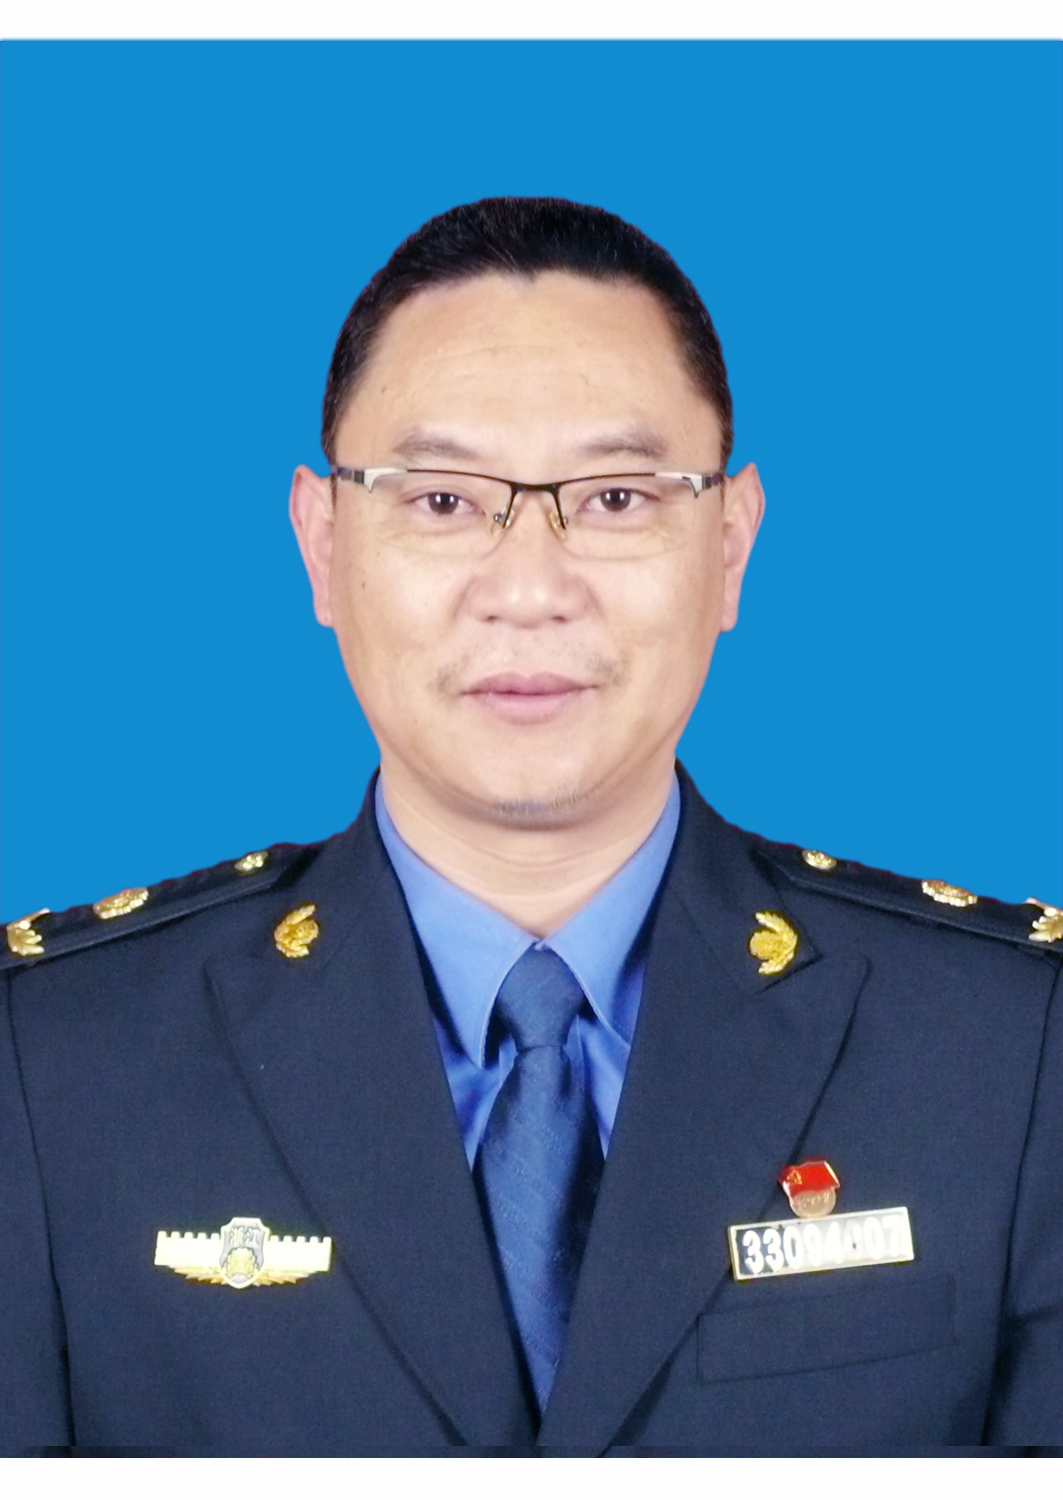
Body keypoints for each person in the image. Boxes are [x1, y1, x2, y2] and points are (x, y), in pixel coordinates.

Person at [2, 198, 1060, 1457]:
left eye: (614, 497)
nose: (529, 589)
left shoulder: (1012, 1052)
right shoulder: (51, 1064)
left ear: (729, 544)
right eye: (443, 501)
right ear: (323, 545)